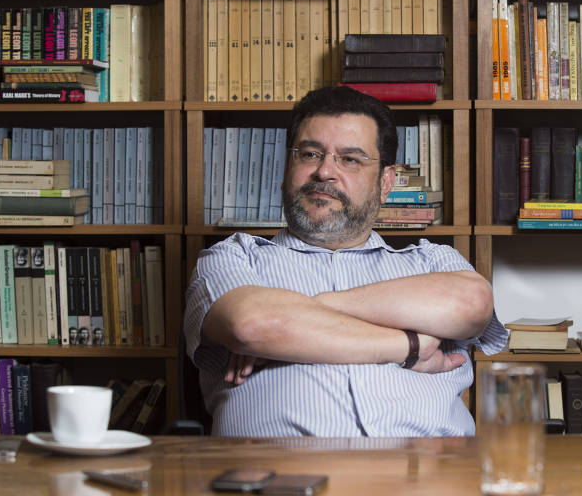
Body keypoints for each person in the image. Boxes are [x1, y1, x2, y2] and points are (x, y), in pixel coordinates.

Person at [183, 86, 507, 437]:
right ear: (287, 166)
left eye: (350, 159)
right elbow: (250, 325)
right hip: (284, 480)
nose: (324, 172)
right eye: (309, 154)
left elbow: (473, 304)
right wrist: (410, 346)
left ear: (386, 182)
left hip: (432, 476)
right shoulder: (233, 257)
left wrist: (306, 311)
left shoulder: (431, 260)